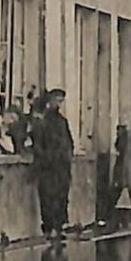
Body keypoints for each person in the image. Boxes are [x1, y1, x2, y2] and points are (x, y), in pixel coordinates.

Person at [32, 88, 74, 239]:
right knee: (48, 196)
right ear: (50, 101)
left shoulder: (62, 122)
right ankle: (49, 227)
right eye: (56, 100)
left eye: (61, 101)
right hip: (48, 167)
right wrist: (45, 159)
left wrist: (68, 156)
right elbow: (38, 144)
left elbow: (69, 142)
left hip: (62, 166)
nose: (58, 104)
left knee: (61, 196)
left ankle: (59, 225)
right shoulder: (42, 122)